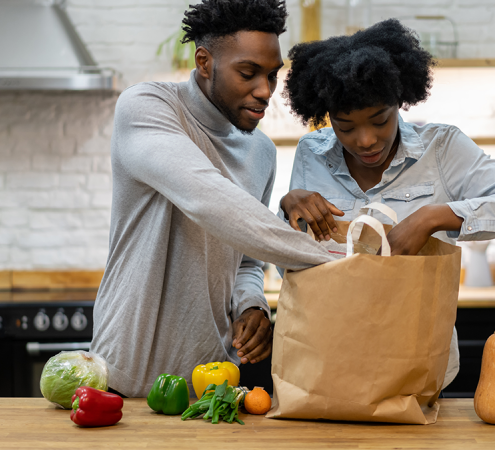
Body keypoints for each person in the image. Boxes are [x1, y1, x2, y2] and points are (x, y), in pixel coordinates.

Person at [277, 19, 495, 390]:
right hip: (328, 362)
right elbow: (293, 267)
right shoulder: (311, 154)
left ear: (400, 101)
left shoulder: (441, 149)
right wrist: (288, 208)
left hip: (418, 367)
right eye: (345, 127)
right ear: (327, 117)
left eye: (380, 120)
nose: (365, 140)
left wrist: (436, 215)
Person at [90, 0, 337, 398]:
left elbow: (246, 260)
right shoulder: (148, 108)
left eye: (272, 76)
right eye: (248, 73)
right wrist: (344, 264)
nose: (264, 92)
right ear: (204, 62)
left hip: (214, 378)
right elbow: (209, 199)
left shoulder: (262, 152)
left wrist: (252, 305)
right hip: (127, 370)